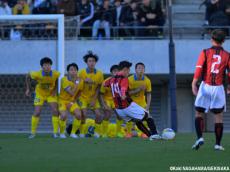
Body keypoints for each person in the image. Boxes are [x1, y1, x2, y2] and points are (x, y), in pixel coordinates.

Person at [191, 29, 230, 151]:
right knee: (218, 116)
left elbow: (199, 67)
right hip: (218, 88)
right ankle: (217, 144)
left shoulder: (205, 52)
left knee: (199, 112)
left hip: (205, 86)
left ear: (211, 39)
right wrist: (229, 86)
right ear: (223, 41)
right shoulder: (227, 55)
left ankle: (200, 138)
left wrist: (194, 83)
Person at [104, 61, 161, 140]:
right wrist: (123, 94)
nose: (129, 72)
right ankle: (155, 134)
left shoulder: (112, 79)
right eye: (128, 70)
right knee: (148, 116)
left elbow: (104, 84)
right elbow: (123, 90)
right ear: (125, 69)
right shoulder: (125, 79)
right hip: (127, 107)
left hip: (119, 110)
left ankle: (150, 135)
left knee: (137, 121)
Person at [25, 57, 60, 138]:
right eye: (45, 65)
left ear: (51, 66)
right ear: (42, 66)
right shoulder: (37, 74)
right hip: (39, 94)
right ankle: (32, 133)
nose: (47, 67)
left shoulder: (55, 73)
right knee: (37, 112)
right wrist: (28, 89)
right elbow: (27, 76)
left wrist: (55, 90)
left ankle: (55, 133)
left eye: (49, 65)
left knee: (55, 111)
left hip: (51, 94)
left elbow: (57, 79)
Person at [78, 51, 104, 138]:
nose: (91, 63)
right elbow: (76, 84)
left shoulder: (99, 74)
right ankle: (81, 132)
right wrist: (83, 81)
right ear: (86, 62)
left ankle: (95, 131)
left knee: (99, 115)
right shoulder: (81, 73)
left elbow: (98, 87)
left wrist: (94, 99)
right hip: (83, 97)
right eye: (89, 61)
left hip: (93, 98)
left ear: (95, 62)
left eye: (93, 61)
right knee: (84, 114)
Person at [58, 63, 84, 139]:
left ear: (77, 71)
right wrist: (76, 83)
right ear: (68, 71)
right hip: (62, 101)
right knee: (63, 115)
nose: (73, 71)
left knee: (79, 115)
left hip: (71, 101)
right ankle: (62, 133)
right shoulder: (64, 80)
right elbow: (72, 92)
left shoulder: (80, 81)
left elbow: (79, 92)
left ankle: (73, 133)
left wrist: (73, 101)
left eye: (75, 70)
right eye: (71, 70)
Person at [127, 62, 152, 138]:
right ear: (135, 70)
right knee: (130, 119)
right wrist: (138, 90)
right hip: (131, 103)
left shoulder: (147, 81)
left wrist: (147, 106)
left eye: (142, 68)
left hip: (142, 103)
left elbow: (148, 94)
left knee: (148, 117)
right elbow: (127, 93)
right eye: (139, 68)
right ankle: (128, 133)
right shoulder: (129, 79)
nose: (141, 70)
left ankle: (146, 133)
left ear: (144, 70)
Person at [100, 64, 124, 137]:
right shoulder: (106, 82)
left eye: (117, 71)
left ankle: (118, 133)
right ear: (111, 73)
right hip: (107, 100)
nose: (116, 73)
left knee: (120, 115)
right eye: (114, 71)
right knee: (107, 114)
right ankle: (104, 133)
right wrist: (104, 104)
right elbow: (101, 94)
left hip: (116, 100)